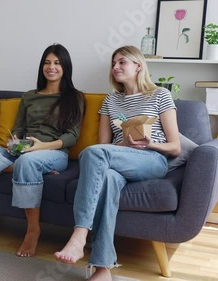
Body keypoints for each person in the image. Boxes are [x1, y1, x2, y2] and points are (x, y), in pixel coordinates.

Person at [54, 45, 181, 281]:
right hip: (117, 160)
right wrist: (123, 144)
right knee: (108, 178)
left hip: (152, 159)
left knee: (92, 154)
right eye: (113, 63)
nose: (115, 67)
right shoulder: (110, 101)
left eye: (122, 62)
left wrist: (149, 143)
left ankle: (79, 234)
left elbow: (175, 147)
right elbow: (104, 146)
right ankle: (103, 269)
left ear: (138, 66)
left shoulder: (160, 95)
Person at [0, 43, 85, 258]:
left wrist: (41, 147)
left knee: (28, 162)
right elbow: (18, 127)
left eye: (57, 63)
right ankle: (25, 168)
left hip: (54, 153)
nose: (51, 67)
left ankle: (32, 230)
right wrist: (15, 140)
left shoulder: (75, 97)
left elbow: (71, 137)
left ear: (65, 67)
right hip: (23, 150)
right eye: (47, 63)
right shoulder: (29, 96)